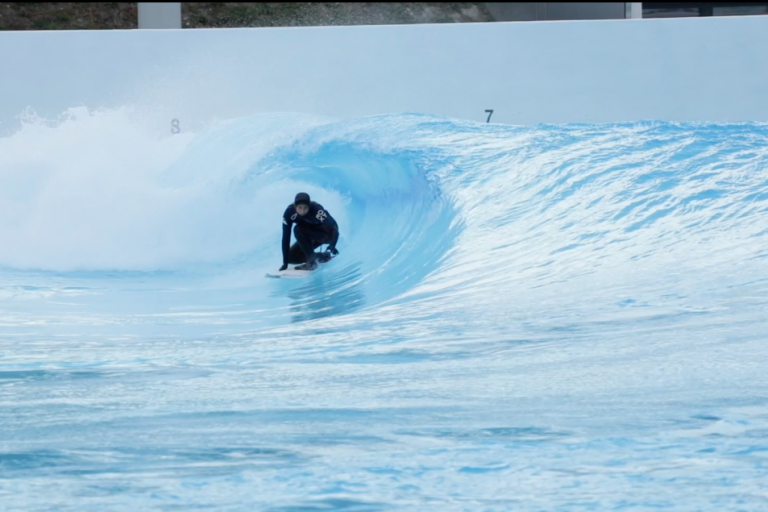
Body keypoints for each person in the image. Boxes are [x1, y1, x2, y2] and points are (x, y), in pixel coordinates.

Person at [280, 192, 340, 271]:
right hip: (309, 235)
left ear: (309, 206)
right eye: (300, 208)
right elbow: (286, 237)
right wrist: (285, 263)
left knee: (298, 229)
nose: (302, 211)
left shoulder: (316, 209)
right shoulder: (289, 213)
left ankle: (311, 263)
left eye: (305, 208)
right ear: (295, 206)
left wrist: (333, 245)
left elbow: (333, 228)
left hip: (326, 235)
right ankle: (322, 256)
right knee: (290, 258)